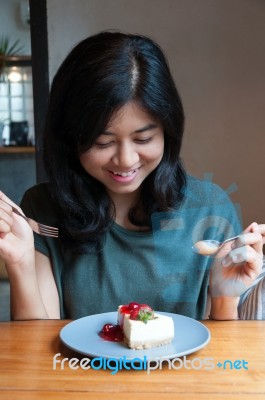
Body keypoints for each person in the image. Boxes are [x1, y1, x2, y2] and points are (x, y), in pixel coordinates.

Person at [0, 31, 264, 321]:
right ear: (71, 138)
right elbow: (36, 353)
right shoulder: (44, 209)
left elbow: (225, 359)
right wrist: (21, 263)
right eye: (103, 142)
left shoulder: (211, 207)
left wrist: (225, 297)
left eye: (143, 139)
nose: (126, 160)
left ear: (168, 132)